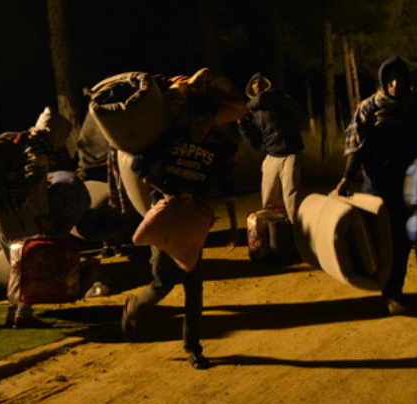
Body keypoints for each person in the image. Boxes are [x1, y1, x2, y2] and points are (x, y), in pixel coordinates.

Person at [120, 128, 235, 370]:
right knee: (163, 284)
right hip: (165, 218)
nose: (200, 124)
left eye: (205, 119)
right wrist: (165, 190)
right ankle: (135, 305)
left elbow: (226, 186)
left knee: (194, 286)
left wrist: (234, 226)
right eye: (196, 118)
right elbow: (139, 166)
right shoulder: (171, 138)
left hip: (192, 222)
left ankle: (193, 349)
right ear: (188, 119)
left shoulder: (215, 148)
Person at [337, 56, 417, 314]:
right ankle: (381, 285)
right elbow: (355, 148)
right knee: (379, 238)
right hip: (377, 184)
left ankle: (394, 291)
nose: (395, 84)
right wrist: (347, 177)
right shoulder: (369, 108)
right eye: (390, 79)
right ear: (382, 81)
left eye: (400, 78)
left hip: (408, 184)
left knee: (402, 241)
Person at [0, 108, 72, 329]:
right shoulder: (39, 147)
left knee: (14, 261)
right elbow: (35, 187)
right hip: (16, 212)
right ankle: (24, 312)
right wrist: (42, 216)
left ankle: (13, 311)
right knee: (26, 263)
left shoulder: (18, 138)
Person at [237, 72, 305, 222]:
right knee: (268, 200)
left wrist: (242, 108)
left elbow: (261, 99)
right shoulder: (254, 114)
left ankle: (296, 232)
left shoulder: (275, 96)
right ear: (251, 88)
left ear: (267, 84)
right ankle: (269, 235)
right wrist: (242, 124)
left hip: (291, 154)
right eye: (254, 82)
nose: (258, 84)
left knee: (290, 198)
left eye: (261, 81)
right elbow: (255, 143)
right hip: (272, 156)